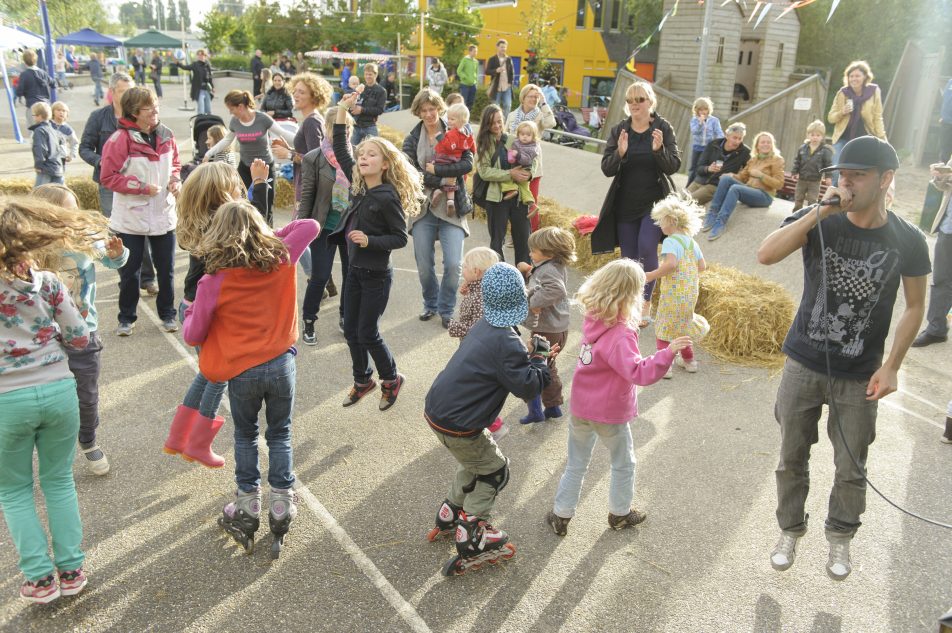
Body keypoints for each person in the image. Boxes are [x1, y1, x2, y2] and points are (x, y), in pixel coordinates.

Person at [756, 135, 930, 581]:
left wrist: (893, 365)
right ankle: (790, 530)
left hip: (860, 374)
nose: (845, 182)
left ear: (885, 179)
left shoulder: (908, 239)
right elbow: (767, 254)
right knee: (790, 456)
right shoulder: (821, 218)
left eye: (857, 175)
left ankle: (840, 539)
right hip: (803, 362)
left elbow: (915, 306)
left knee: (851, 466)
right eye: (841, 174)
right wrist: (820, 212)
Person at [183, 202, 317, 558]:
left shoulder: (213, 281)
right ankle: (282, 503)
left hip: (242, 370)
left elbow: (193, 335)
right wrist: (267, 236)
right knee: (281, 432)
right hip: (281, 364)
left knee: (245, 434)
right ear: (260, 229)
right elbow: (310, 225)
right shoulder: (282, 259)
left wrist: (192, 311)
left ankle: (247, 504)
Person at [424, 263, 553, 575]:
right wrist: (540, 359)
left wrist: (529, 356)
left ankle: (450, 512)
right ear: (520, 301)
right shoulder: (507, 342)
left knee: (474, 463)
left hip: (438, 412)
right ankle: (471, 535)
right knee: (495, 471)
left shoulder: (485, 325)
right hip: (461, 424)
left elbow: (506, 362)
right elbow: (528, 386)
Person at [0, 196, 98, 603]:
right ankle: (72, 570)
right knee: (58, 481)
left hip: (7, 400)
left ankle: (40, 579)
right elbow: (80, 337)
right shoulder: (51, 283)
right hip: (59, 390)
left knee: (14, 490)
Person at [546, 258, 688, 537]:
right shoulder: (622, 334)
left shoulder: (594, 319)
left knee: (576, 463)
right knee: (624, 463)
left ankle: (561, 515)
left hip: (582, 407)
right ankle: (620, 513)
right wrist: (667, 352)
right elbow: (638, 372)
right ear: (632, 295)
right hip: (609, 412)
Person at [166, 161, 267, 468]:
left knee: (209, 372)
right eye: (237, 185)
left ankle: (178, 436)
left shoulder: (200, 222)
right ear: (223, 193)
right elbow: (259, 229)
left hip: (192, 305)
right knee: (220, 374)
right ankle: (198, 442)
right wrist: (260, 186)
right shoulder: (223, 225)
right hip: (209, 310)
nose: (241, 189)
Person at [332, 90, 423, 410]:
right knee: (351, 332)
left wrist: (370, 241)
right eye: (363, 154)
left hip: (376, 277)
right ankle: (362, 381)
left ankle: (391, 379)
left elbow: (400, 237)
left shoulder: (387, 196)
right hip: (355, 273)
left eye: (371, 154)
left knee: (368, 332)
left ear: (385, 164)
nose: (363, 157)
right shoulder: (359, 188)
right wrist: (342, 111)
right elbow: (342, 149)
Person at [30, 184, 128, 476]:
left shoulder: (84, 241)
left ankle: (88, 439)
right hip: (42, 338)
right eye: (66, 210)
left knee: (86, 394)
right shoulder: (31, 248)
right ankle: (48, 446)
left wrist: (118, 253)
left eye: (74, 209)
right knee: (45, 398)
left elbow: (112, 260)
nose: (73, 215)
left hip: (84, 334)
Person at [99, 86, 181, 336]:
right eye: (149, 107)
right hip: (130, 219)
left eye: (156, 104)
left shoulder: (167, 135)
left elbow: (176, 164)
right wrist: (141, 187)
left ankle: (168, 314)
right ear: (135, 112)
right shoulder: (119, 140)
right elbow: (108, 177)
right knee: (129, 273)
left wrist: (175, 180)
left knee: (166, 272)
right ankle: (126, 318)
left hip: (163, 214)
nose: (155, 110)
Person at [591, 80, 681, 304]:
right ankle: (630, 301)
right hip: (625, 203)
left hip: (654, 204)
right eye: (630, 100)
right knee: (628, 257)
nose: (634, 104)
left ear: (650, 101)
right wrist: (619, 153)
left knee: (647, 247)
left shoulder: (662, 127)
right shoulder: (620, 130)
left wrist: (659, 151)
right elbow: (606, 168)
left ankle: (645, 302)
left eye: (640, 99)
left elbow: (674, 166)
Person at [79, 73, 158, 294]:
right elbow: (84, 148)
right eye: (124, 91)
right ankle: (126, 277)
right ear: (112, 92)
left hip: (138, 183)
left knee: (141, 229)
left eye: (132, 90)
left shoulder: (142, 119)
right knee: (119, 231)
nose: (130, 96)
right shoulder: (98, 117)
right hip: (110, 184)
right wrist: (101, 161)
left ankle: (147, 278)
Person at [402, 89, 475, 328]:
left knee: (454, 264)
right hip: (422, 207)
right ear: (418, 112)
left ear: (439, 108)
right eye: (424, 110)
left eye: (432, 109)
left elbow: (466, 165)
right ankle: (430, 304)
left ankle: (446, 309)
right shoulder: (412, 138)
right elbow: (410, 174)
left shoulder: (458, 128)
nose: (429, 114)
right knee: (424, 264)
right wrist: (442, 180)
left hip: (452, 208)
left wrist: (436, 172)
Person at [298, 106, 354, 345]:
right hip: (325, 226)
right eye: (339, 127)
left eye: (349, 127)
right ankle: (309, 321)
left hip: (351, 227)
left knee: (352, 276)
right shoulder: (313, 158)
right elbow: (307, 194)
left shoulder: (358, 155)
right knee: (319, 277)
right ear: (327, 129)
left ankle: (346, 317)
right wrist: (301, 229)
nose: (345, 132)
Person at [204, 90, 296, 222]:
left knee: (266, 205)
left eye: (231, 109)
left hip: (264, 168)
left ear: (240, 106)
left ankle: (267, 234)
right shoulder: (235, 122)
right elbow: (227, 140)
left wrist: (304, 140)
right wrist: (208, 154)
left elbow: (283, 133)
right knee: (243, 203)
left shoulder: (262, 119)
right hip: (245, 167)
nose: (230, 113)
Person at [644, 194, 709, 378]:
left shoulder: (670, 241)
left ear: (671, 221)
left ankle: (665, 366)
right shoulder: (692, 242)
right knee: (682, 326)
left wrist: (651, 275)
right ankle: (690, 362)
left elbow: (670, 264)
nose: (660, 226)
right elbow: (702, 266)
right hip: (689, 294)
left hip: (673, 293)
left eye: (661, 222)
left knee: (664, 327)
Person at [515, 226, 575, 424]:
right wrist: (529, 271)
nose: (530, 253)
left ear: (549, 252)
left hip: (546, 331)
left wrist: (534, 303)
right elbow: (544, 282)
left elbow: (556, 289)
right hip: (557, 328)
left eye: (533, 251)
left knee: (535, 368)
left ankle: (536, 411)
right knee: (547, 366)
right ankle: (553, 405)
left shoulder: (548, 270)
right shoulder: (554, 266)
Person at [477, 104, 533, 266]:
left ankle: (523, 280)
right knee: (497, 242)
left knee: (523, 240)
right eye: (492, 122)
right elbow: (484, 172)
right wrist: (510, 174)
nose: (497, 125)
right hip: (496, 199)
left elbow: (531, 158)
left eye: (499, 121)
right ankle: (500, 276)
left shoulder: (513, 140)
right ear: (486, 124)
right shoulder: (483, 144)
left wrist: (529, 173)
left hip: (518, 199)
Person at [702, 130, 784, 241]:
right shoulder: (753, 160)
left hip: (764, 195)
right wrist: (731, 175)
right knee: (726, 179)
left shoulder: (777, 160)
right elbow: (742, 177)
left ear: (772, 145)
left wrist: (761, 176)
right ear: (757, 146)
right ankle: (713, 212)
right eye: (763, 142)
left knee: (735, 189)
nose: (766, 144)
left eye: (768, 142)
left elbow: (779, 184)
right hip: (749, 190)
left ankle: (720, 222)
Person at [912, 158, 952, 349]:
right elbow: (944, 186)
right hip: (948, 228)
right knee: (942, 280)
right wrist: (939, 176)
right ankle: (936, 328)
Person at [505, 83, 556, 231]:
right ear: (523, 97)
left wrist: (544, 102)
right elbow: (506, 135)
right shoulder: (513, 115)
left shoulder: (540, 115)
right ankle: (516, 235)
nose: (533, 99)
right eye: (531, 96)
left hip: (532, 164)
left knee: (530, 200)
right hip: (513, 163)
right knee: (514, 201)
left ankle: (532, 235)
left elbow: (552, 123)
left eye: (536, 96)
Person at [828, 61, 886, 186]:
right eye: (851, 76)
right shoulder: (843, 92)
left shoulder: (874, 91)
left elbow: (877, 117)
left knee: (861, 171)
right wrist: (842, 112)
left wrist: (882, 138)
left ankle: (854, 200)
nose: (854, 78)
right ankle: (835, 195)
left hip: (864, 138)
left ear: (865, 77)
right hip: (843, 138)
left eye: (857, 76)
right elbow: (831, 118)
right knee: (837, 168)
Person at [687, 122, 751, 205]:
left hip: (715, 186)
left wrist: (734, 176)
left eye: (740, 138)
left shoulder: (745, 152)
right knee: (678, 200)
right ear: (727, 135)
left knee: (688, 202)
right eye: (734, 138)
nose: (737, 142)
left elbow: (748, 172)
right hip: (699, 181)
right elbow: (699, 167)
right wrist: (708, 169)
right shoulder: (713, 144)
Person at [431, 102, 476, 216]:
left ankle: (437, 190)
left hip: (445, 157)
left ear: (461, 121)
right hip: (457, 158)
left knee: (433, 166)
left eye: (452, 119)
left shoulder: (453, 133)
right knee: (451, 177)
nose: (449, 121)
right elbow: (470, 145)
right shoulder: (466, 133)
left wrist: (440, 137)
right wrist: (472, 151)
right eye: (449, 118)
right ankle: (450, 200)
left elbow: (449, 146)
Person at [791, 120, 834, 212]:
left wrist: (828, 177)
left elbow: (828, 164)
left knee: (812, 200)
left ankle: (810, 217)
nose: (815, 137)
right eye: (812, 135)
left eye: (818, 135)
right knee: (798, 198)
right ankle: (795, 214)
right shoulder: (802, 148)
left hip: (815, 181)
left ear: (822, 137)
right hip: (802, 179)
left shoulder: (825, 150)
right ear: (808, 135)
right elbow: (797, 161)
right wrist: (794, 172)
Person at [501, 121, 540, 210]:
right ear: (518, 134)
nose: (525, 137)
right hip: (516, 166)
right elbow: (511, 150)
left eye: (528, 135)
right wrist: (511, 155)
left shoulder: (532, 147)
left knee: (508, 179)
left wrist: (517, 155)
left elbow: (527, 160)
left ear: (533, 136)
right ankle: (530, 203)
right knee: (524, 188)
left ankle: (512, 190)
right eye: (522, 134)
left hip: (525, 168)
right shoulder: (516, 141)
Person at [687, 97, 724, 186]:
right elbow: (694, 131)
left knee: (704, 167)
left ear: (709, 109)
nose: (703, 111)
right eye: (700, 109)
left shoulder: (714, 120)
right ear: (696, 110)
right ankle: (689, 185)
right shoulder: (694, 120)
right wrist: (700, 123)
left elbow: (719, 132)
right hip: (697, 147)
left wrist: (719, 142)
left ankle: (701, 184)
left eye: (705, 109)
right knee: (694, 168)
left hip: (708, 148)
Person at [30, 103, 67, 188]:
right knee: (59, 197)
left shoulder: (39, 130)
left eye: (34, 115)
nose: (33, 117)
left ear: (39, 116)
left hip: (46, 168)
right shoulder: (54, 129)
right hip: (58, 168)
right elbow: (62, 149)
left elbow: (40, 148)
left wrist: (38, 165)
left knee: (37, 196)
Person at [351, 63, 388, 145]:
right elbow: (352, 103)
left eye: (370, 74)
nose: (367, 76)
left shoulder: (381, 91)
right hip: (356, 125)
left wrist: (362, 110)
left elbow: (380, 110)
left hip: (370, 125)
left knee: (374, 148)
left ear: (376, 74)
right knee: (350, 151)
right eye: (366, 74)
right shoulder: (360, 87)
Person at [15, 50, 55, 122]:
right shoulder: (43, 73)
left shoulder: (24, 75)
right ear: (36, 59)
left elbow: (19, 92)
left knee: (34, 130)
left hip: (33, 106)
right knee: (47, 128)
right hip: (45, 105)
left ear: (24, 61)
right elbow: (53, 84)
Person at [175, 49, 215, 115]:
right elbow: (185, 67)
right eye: (198, 55)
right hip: (199, 90)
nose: (200, 56)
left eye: (202, 55)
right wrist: (178, 63)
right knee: (201, 110)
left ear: (205, 56)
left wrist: (212, 87)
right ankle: (200, 122)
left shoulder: (207, 65)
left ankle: (208, 123)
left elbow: (210, 77)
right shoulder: (195, 64)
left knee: (208, 110)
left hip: (207, 89)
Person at [486, 39, 515, 118]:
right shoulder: (492, 59)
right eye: (502, 47)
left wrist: (510, 83)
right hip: (496, 87)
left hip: (507, 86)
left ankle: (504, 124)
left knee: (508, 105)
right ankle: (495, 121)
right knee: (495, 107)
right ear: (497, 47)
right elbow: (487, 71)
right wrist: (496, 70)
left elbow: (512, 72)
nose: (503, 49)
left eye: (505, 47)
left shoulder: (508, 59)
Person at [941, 78, 952, 163]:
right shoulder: (950, 82)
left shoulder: (950, 82)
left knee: (945, 149)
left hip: (946, 120)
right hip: (946, 121)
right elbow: (945, 99)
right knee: (945, 149)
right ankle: (942, 172)